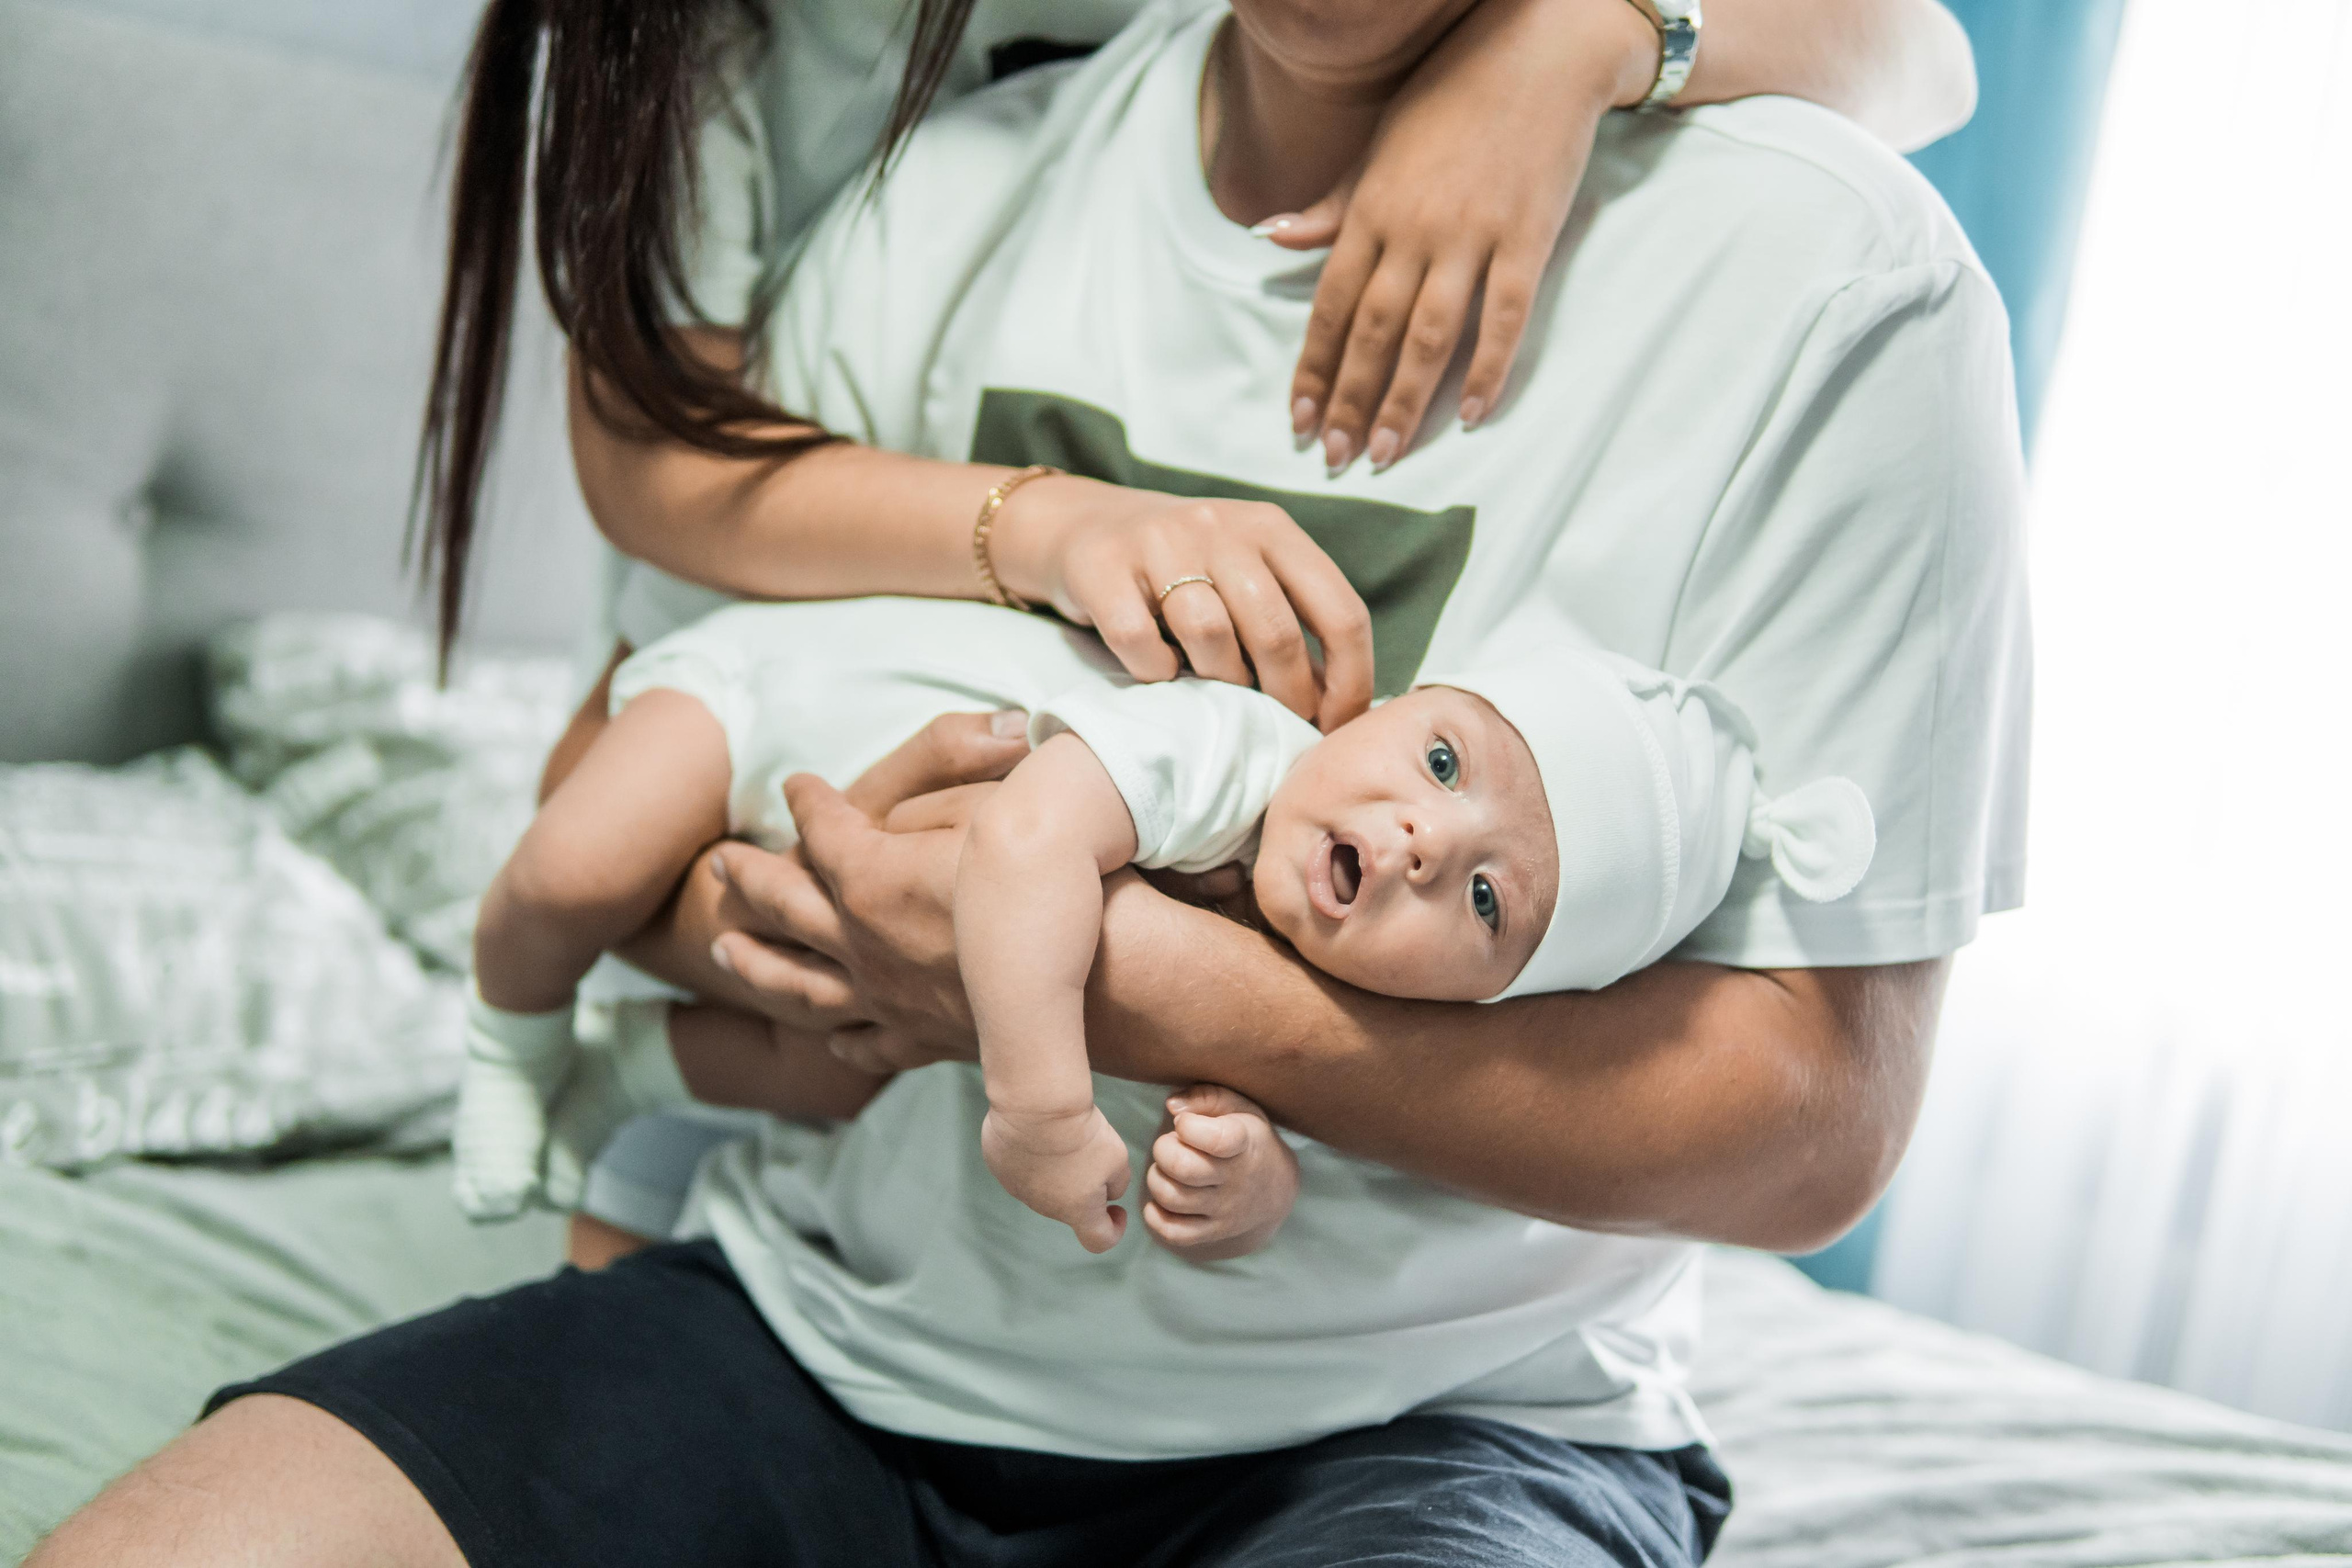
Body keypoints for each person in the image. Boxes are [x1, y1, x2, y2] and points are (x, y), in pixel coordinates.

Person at [30, 0, 2017, 1563]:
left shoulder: (1829, 287)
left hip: (1439, 1425)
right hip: (826, 1332)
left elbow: (1808, 1124)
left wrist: (1107, 979)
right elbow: (643, 722)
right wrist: (774, 924)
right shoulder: (931, 196)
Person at [451, 595, 1875, 1255]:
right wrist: (1039, 1111)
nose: (1426, 840)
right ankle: (508, 1037)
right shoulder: (1234, 752)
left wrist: (1246, 1186)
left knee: (843, 1063)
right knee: (574, 870)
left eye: (1490, 901)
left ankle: (624, 1074)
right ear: (1391, 706)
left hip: (845, 901)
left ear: (1485, 999)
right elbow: (1017, 844)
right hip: (756, 702)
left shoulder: (1337, 976)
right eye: (1444, 763)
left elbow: (1270, 1094)